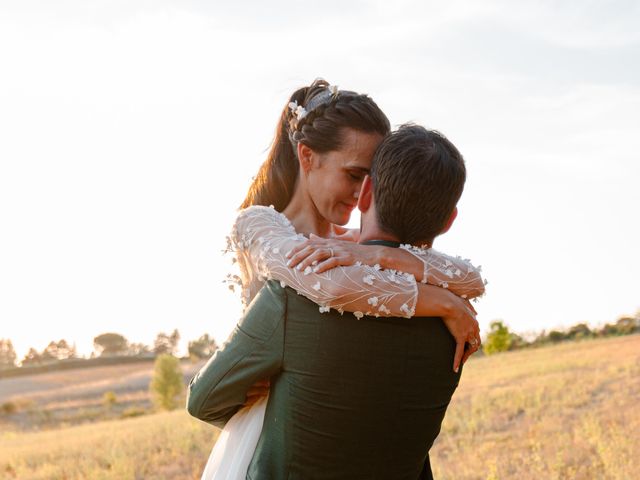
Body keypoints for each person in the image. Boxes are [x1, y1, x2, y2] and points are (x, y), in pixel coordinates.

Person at [198, 80, 484, 479]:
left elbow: (470, 276)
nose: (361, 190)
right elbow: (328, 288)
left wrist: (377, 253)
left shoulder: (348, 247)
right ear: (307, 156)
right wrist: (441, 301)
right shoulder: (264, 229)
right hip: (276, 428)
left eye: (370, 179)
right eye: (354, 174)